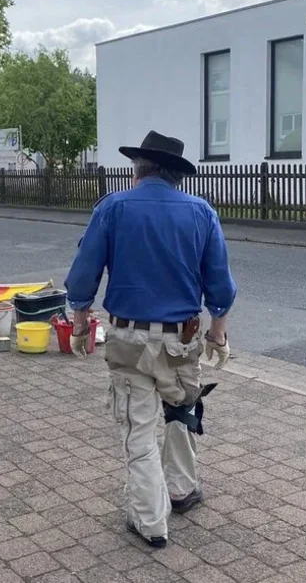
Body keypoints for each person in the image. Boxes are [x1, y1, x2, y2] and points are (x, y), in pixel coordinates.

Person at [65, 130, 236, 549]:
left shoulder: (113, 208)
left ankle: (150, 522)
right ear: (176, 175)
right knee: (181, 409)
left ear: (137, 170)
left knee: (138, 428)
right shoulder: (201, 212)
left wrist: (81, 325)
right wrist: (217, 336)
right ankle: (181, 489)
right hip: (182, 340)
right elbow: (220, 286)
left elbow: (84, 275)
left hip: (128, 340)